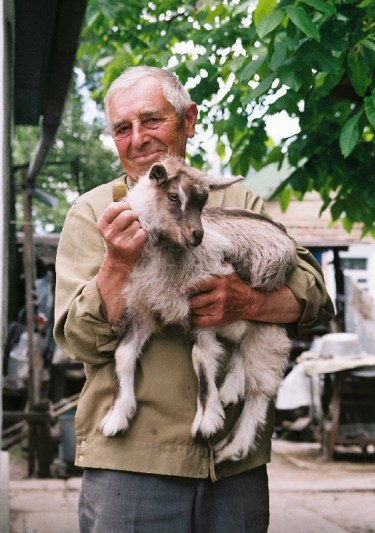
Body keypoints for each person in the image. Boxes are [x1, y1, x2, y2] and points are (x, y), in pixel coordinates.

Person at [54, 66, 335, 532]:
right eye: (123, 128)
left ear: (189, 119)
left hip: (231, 472)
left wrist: (246, 301)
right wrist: (118, 266)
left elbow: (314, 295)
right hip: (133, 465)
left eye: (152, 120)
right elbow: (78, 340)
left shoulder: (236, 197)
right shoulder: (93, 212)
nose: (139, 138)